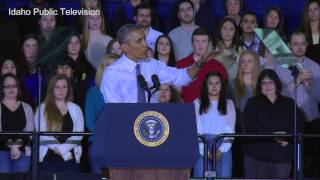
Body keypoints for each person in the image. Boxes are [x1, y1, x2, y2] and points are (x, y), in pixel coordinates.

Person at [101, 24, 207, 103]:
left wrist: (199, 64)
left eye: (145, 40)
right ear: (125, 47)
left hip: (152, 125)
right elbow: (114, 110)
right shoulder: (112, 74)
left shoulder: (152, 64)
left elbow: (181, 76)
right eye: (139, 41)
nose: (146, 45)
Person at [242, 69, 303, 178]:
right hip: (256, 155)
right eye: (264, 83)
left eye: (270, 82)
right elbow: (249, 125)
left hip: (281, 156)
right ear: (259, 85)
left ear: (277, 83)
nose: (267, 86)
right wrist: (273, 135)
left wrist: (288, 137)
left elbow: (298, 125)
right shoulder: (253, 102)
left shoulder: (289, 103)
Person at [34, 75, 84, 172]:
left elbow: (79, 134)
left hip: (70, 156)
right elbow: (42, 134)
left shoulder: (76, 108)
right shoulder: (42, 108)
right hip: (49, 156)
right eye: (57, 87)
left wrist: (64, 149)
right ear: (51, 89)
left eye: (64, 87)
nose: (61, 90)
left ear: (68, 89)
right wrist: (62, 151)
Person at [193, 71, 235, 178]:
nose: (214, 86)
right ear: (205, 86)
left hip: (223, 144)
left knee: (223, 176)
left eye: (217, 83)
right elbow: (197, 127)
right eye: (211, 83)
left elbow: (230, 129)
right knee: (202, 176)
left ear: (222, 86)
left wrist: (221, 150)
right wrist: (204, 149)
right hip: (201, 143)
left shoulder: (229, 103)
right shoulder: (197, 102)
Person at [85, 53, 118, 173]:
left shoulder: (126, 91)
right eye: (107, 65)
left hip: (120, 144)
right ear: (101, 69)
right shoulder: (93, 92)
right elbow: (90, 123)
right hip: (99, 143)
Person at [176, 27, 228, 103]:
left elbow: (223, 93)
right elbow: (175, 94)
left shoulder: (219, 67)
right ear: (192, 43)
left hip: (211, 111)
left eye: (204, 41)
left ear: (209, 43)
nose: (200, 45)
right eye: (197, 41)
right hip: (187, 110)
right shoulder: (180, 65)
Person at [0, 74, 34, 173]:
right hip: (1, 151)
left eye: (14, 86)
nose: (11, 89)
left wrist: (16, 146)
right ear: (2, 89)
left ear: (18, 88)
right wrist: (12, 146)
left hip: (22, 151)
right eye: (7, 86)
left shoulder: (27, 107)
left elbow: (30, 132)